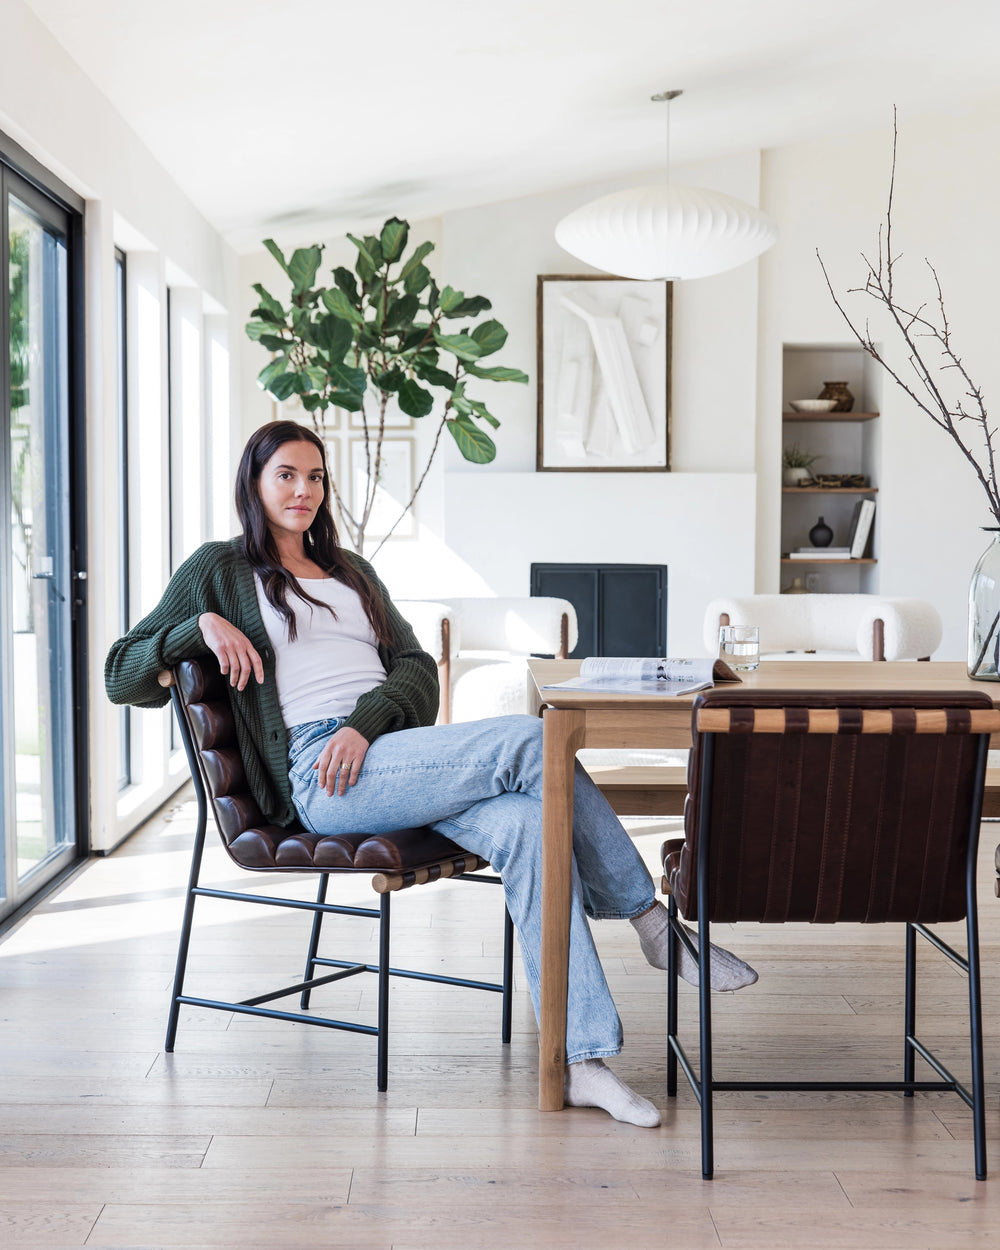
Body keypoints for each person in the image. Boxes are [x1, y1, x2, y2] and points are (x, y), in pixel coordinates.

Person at [106, 420, 757, 1128]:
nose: (303, 490)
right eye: (286, 475)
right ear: (254, 484)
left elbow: (415, 667)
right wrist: (197, 628)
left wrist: (368, 720)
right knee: (537, 742)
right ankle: (651, 921)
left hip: (389, 754)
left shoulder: (352, 572)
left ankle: (581, 1062)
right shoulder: (218, 570)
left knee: (529, 823)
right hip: (322, 775)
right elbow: (121, 672)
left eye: (315, 477)